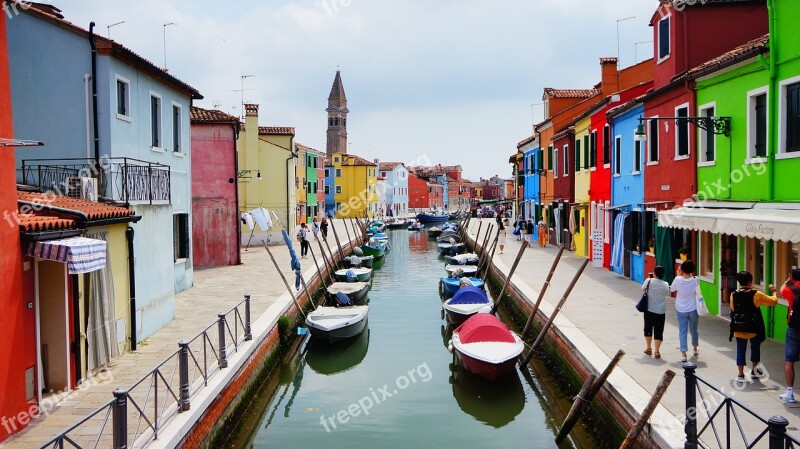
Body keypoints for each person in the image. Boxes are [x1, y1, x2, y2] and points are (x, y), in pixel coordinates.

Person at [729, 271, 777, 382]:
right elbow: (773, 302)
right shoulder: (756, 294)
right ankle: (754, 370)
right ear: (750, 282)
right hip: (753, 327)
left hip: (739, 327)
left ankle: (740, 375)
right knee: (755, 348)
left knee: (740, 350)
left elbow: (732, 309)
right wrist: (774, 292)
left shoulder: (733, 294)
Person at [670, 260, 700, 363]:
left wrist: (678, 275)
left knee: (682, 331)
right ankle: (695, 348)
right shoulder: (696, 280)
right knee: (694, 329)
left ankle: (683, 354)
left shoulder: (678, 279)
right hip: (693, 308)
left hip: (681, 308)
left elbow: (672, 289)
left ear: (682, 269)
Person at [780, 269, 800, 403]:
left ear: (791, 277)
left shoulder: (790, 290)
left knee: (789, 361)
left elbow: (782, 291)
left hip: (794, 328)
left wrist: (786, 282)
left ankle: (790, 392)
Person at [642, 266, 669, 359]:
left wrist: (650, 279)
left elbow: (643, 289)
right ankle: (657, 351)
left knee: (648, 328)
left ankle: (648, 348)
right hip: (660, 311)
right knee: (659, 330)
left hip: (649, 309)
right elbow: (667, 292)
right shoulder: (665, 284)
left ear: (654, 273)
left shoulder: (648, 281)